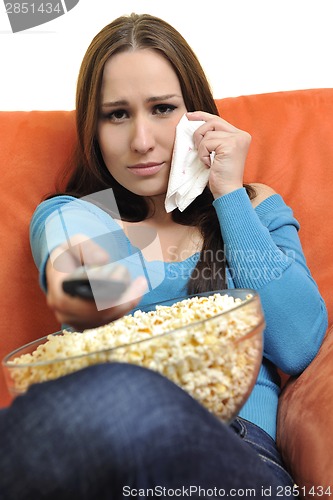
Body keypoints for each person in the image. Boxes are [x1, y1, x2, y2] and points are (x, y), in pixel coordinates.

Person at [1, 13, 327, 499]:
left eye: (162, 109)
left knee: (134, 398)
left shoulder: (252, 207)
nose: (141, 140)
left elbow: (299, 342)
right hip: (103, 451)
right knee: (66, 411)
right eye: (117, 114)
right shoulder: (79, 216)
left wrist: (229, 195)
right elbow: (91, 294)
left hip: (235, 454)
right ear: (93, 127)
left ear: (197, 115)